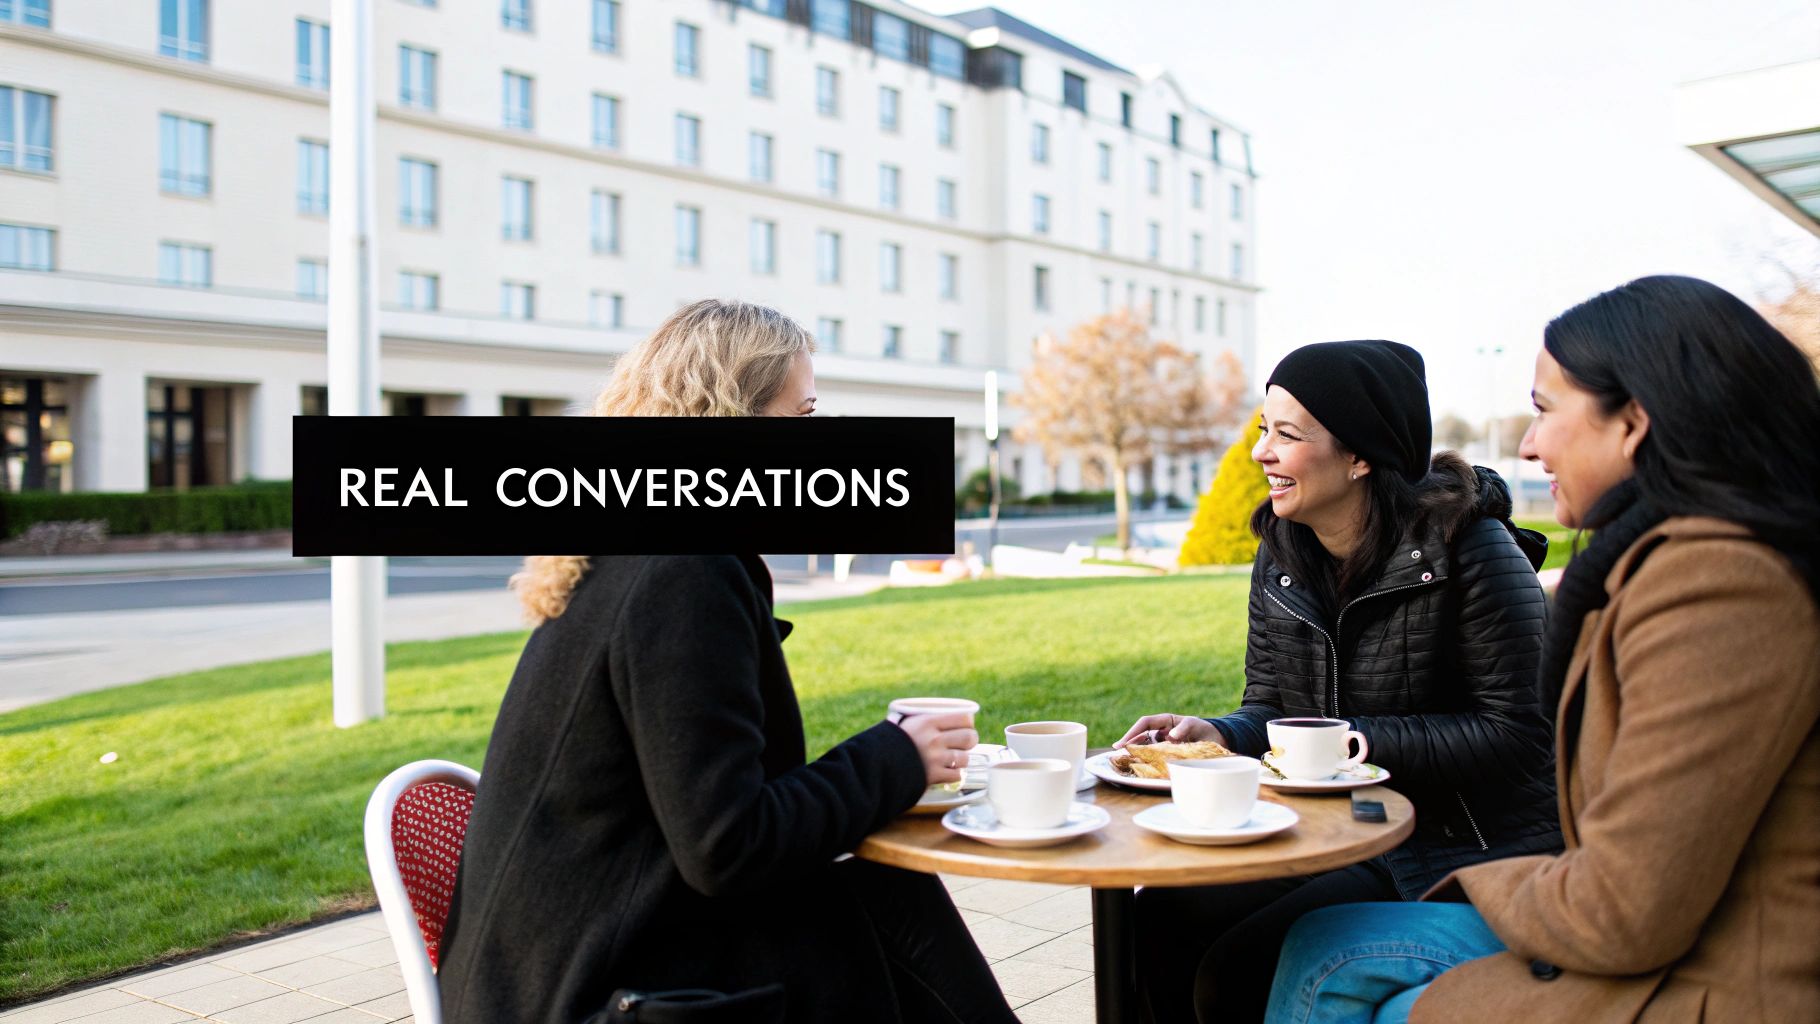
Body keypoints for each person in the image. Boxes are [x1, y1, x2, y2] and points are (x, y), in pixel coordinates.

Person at [436, 300, 1019, 1024]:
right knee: (872, 917)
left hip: (564, 966)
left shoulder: (647, 548)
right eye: (802, 416)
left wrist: (891, 762)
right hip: (587, 998)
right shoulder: (683, 573)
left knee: (883, 896)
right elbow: (727, 848)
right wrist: (896, 756)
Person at [1264, 276, 1820, 1024]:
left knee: (1328, 968)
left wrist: (1481, 882)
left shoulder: (1722, 583)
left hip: (1710, 975)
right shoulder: (1679, 559)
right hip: (1636, 915)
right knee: (1307, 945)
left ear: (1634, 421)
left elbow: (1625, 905)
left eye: (1544, 411)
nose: (1527, 445)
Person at [1116, 340, 1562, 1024]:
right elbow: (1270, 705)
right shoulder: (1283, 552)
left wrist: (1346, 743)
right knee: (1161, 919)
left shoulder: (1474, 549)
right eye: (1265, 429)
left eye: (1287, 435)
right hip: (1337, 828)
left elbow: (1520, 734)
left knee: (1235, 969)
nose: (1260, 452)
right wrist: (1219, 733)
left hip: (1457, 849)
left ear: (1360, 457)